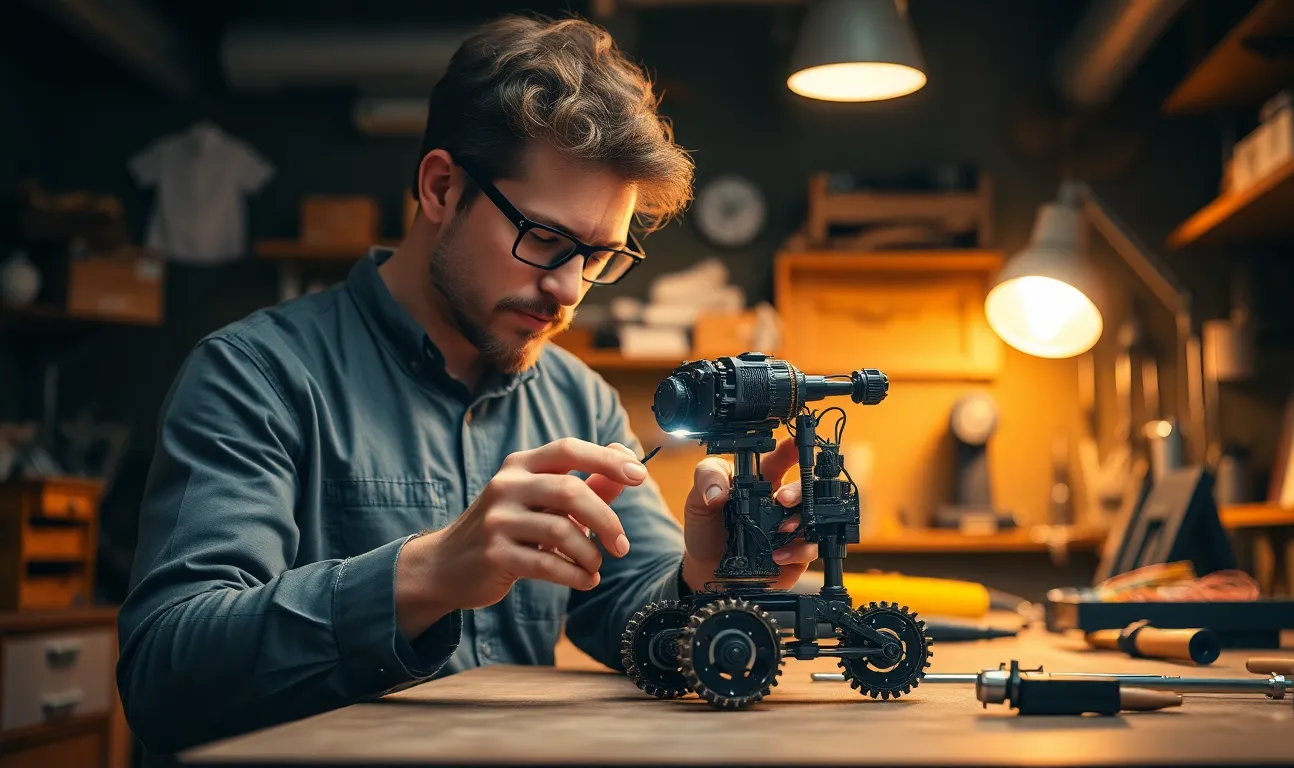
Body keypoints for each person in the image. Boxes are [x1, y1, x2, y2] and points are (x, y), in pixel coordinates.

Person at [116, 13, 817, 758]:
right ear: (442, 187)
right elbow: (166, 676)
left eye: (600, 256)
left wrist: (699, 580)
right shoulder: (255, 377)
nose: (568, 290)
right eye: (544, 239)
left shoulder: (578, 398)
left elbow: (630, 613)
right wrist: (426, 573)